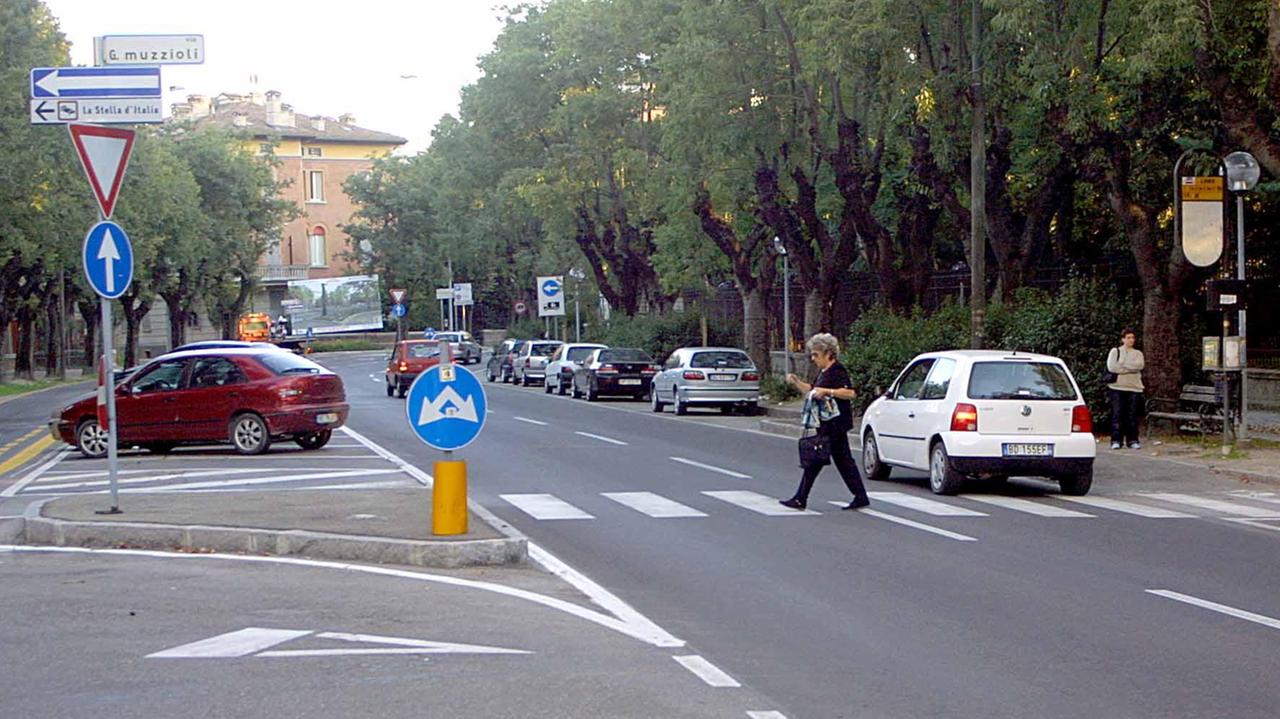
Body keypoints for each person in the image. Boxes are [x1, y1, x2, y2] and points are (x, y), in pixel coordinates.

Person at [780, 333, 871, 511]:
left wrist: (828, 391)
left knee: (816, 460)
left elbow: (850, 393)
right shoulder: (824, 372)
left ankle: (801, 498)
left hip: (835, 423)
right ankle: (860, 496)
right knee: (842, 461)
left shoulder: (838, 370)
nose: (813, 359)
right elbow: (813, 390)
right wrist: (797, 382)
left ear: (828, 353)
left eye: (816, 354)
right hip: (827, 423)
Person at [1107, 328, 1145, 450]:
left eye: (1132, 338)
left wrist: (1123, 365)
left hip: (1134, 388)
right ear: (1123, 339)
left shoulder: (1138, 353)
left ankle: (1132, 440)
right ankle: (1116, 440)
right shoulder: (1115, 351)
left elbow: (1139, 366)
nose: (1131, 340)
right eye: (1128, 338)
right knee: (1117, 414)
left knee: (1132, 415)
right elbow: (1112, 367)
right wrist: (1129, 368)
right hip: (1117, 387)